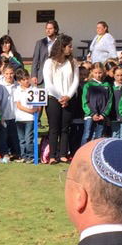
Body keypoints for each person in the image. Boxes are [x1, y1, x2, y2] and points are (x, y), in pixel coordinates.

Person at [42, 34, 78, 164]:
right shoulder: (49, 63)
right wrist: (60, 97)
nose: (71, 49)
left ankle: (63, 154)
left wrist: (68, 96)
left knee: (65, 128)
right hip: (53, 99)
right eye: (69, 46)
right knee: (54, 128)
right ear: (62, 47)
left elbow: (75, 81)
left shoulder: (73, 62)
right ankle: (52, 155)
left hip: (68, 98)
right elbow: (49, 83)